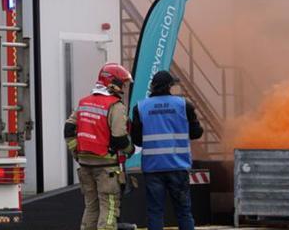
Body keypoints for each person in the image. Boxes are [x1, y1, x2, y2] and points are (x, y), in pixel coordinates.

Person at [64, 63, 136, 230]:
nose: (124, 88)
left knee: (91, 206)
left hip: (85, 165)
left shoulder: (84, 102)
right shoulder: (115, 106)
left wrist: (76, 152)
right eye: (122, 83)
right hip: (106, 167)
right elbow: (119, 138)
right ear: (113, 83)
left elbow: (68, 129)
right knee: (109, 207)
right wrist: (130, 150)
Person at [130, 70, 203, 230]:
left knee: (155, 212)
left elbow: (136, 140)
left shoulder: (140, 108)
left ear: (153, 87)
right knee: (183, 212)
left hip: (153, 168)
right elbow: (196, 133)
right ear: (170, 86)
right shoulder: (184, 105)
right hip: (178, 167)